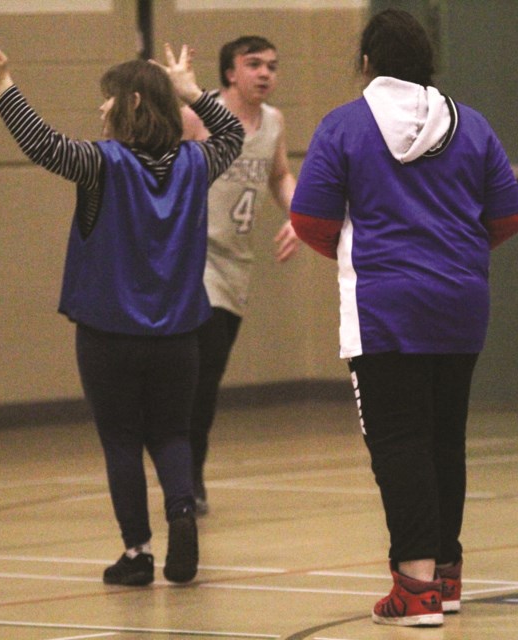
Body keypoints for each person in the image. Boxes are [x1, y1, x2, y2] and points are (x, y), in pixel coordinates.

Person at [0, 43, 244, 586]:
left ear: (133, 101)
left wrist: (1, 83)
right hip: (180, 336)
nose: (101, 110)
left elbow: (42, 144)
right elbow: (234, 134)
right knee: (172, 435)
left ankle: (138, 553)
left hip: (110, 336)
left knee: (121, 439)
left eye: (108, 100)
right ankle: (183, 514)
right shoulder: (197, 162)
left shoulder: (101, 164)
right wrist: (193, 91)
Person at [289, 8, 518, 627]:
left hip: (385, 309)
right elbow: (508, 218)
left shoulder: (343, 126)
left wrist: (362, 258)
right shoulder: (470, 124)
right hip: (461, 306)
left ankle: (414, 589)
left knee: (398, 443)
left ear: (366, 62)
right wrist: (454, 259)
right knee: (445, 438)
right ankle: (445, 576)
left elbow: (309, 221)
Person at [181, 35, 300, 516]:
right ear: (230, 72)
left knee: (209, 375)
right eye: (254, 65)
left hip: (236, 261)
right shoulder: (197, 114)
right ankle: (187, 477)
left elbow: (279, 177)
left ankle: (187, 469)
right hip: (193, 259)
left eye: (272, 65)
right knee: (202, 370)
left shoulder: (272, 122)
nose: (265, 73)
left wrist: (303, 217)